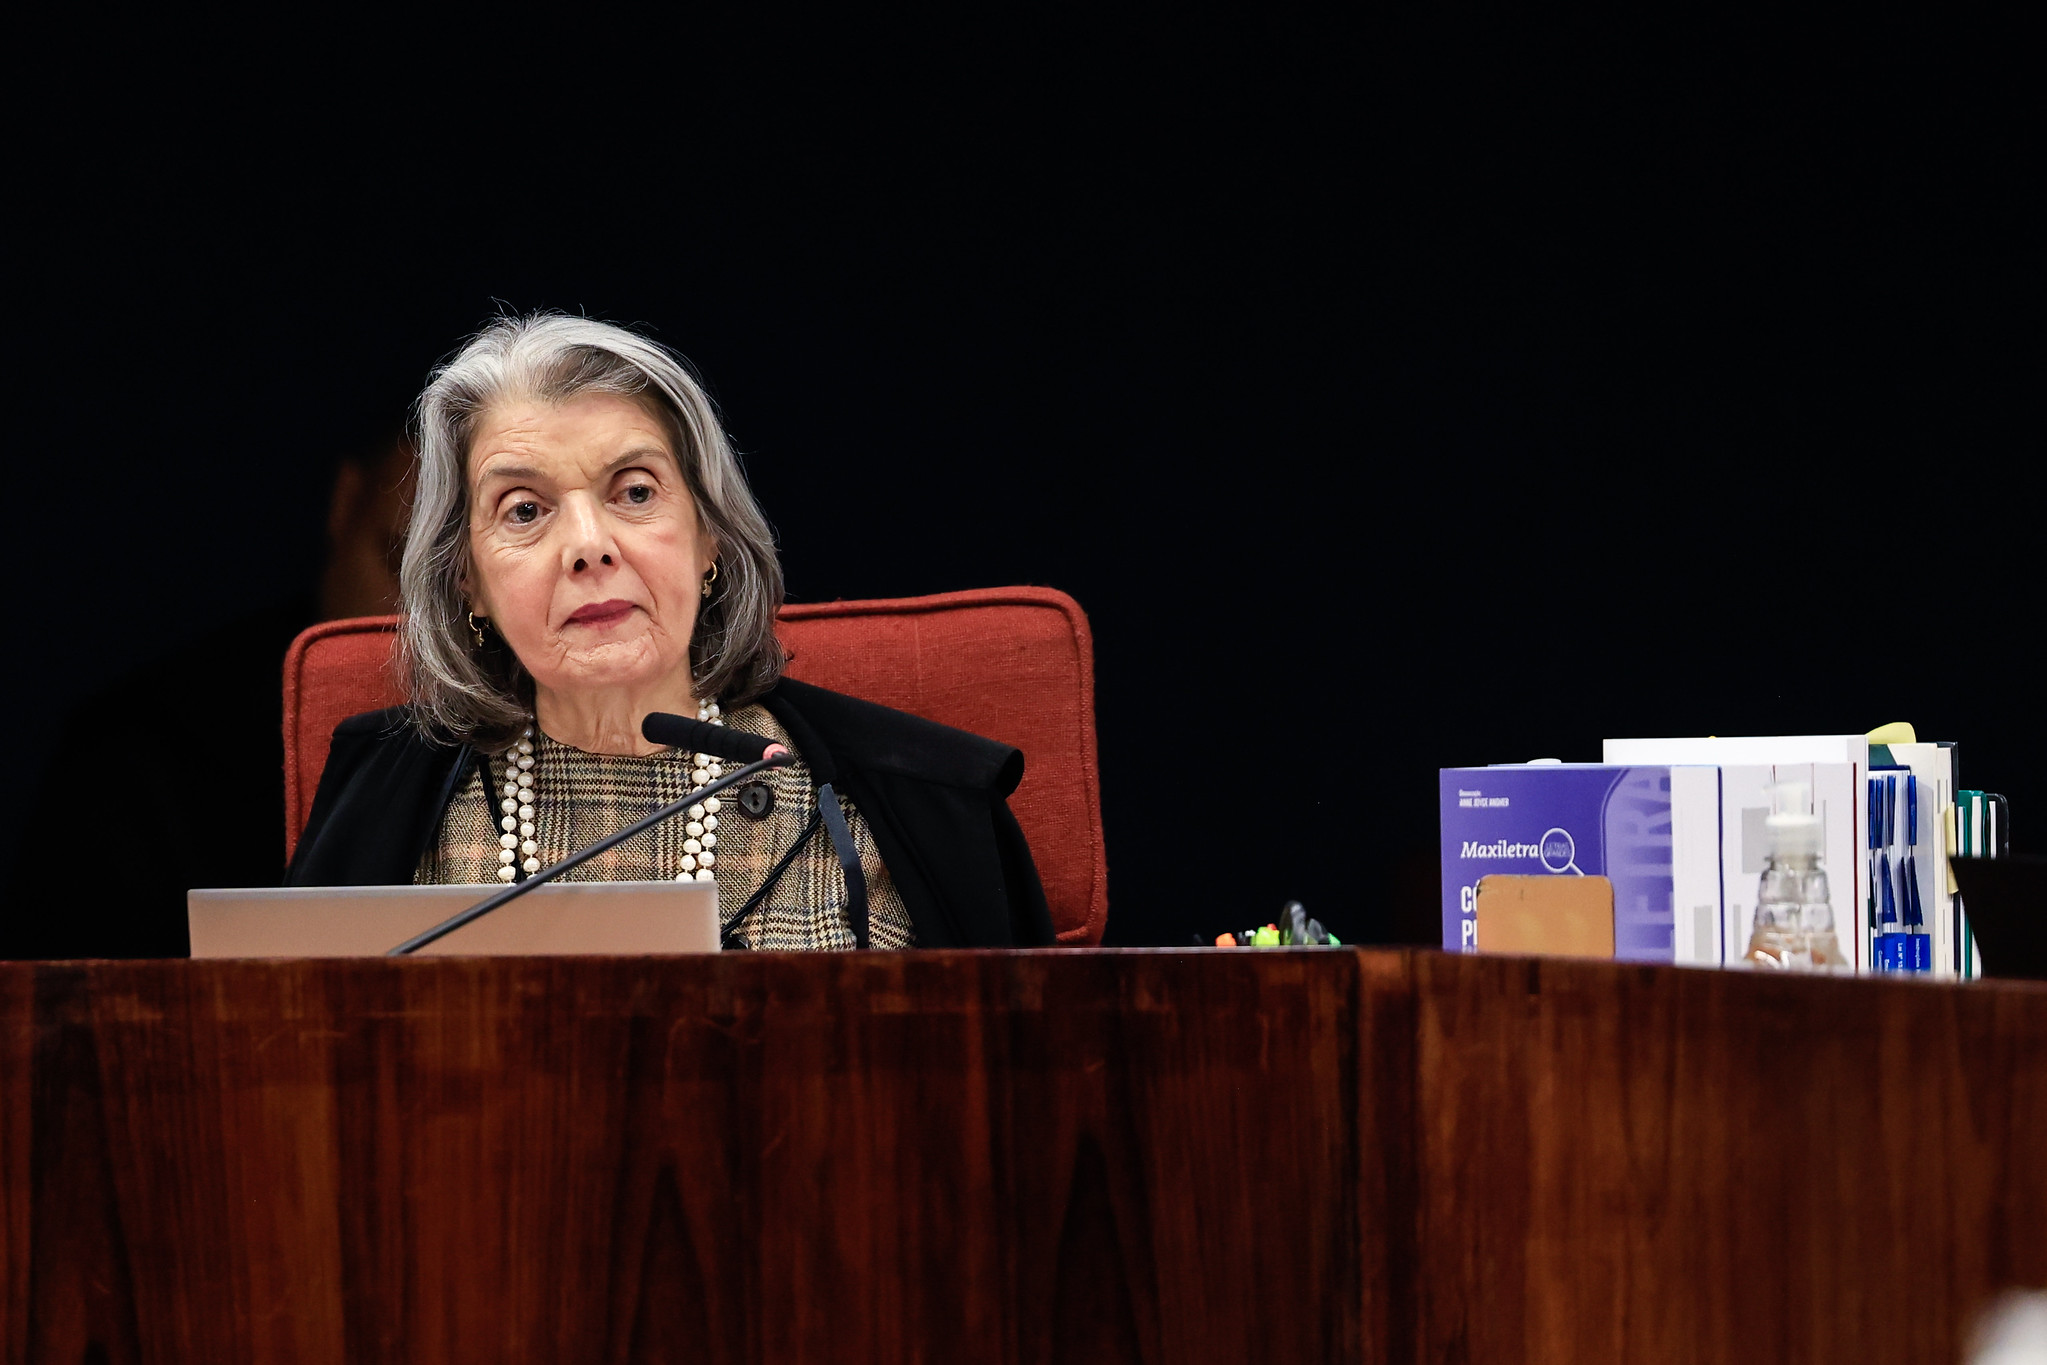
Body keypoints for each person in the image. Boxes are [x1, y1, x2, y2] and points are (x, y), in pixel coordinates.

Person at [289, 314, 1053, 949]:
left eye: (634, 491)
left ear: (706, 537)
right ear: (469, 583)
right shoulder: (376, 816)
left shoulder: (916, 809)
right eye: (524, 509)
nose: (589, 545)